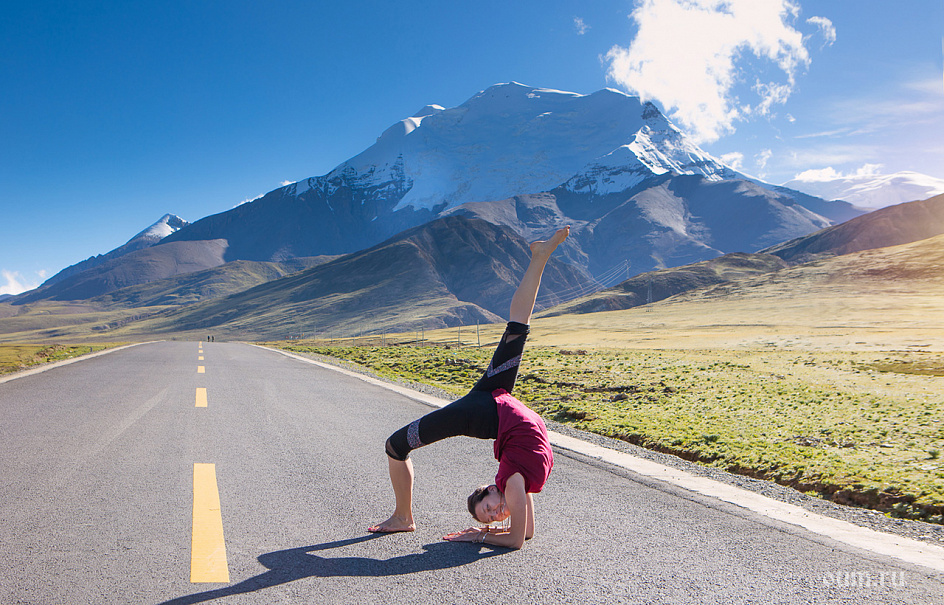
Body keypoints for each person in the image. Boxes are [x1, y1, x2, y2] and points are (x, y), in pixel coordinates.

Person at [368, 226, 570, 549]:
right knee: (517, 328)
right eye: (492, 515)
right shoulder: (518, 485)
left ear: (491, 488)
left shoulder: (512, 481)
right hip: (497, 405)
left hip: (487, 411)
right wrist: (486, 533)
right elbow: (523, 535)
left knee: (396, 445)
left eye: (488, 511)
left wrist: (480, 533)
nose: (495, 513)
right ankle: (540, 257)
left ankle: (403, 517)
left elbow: (520, 537)